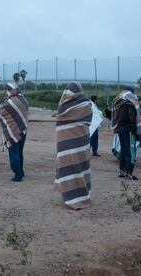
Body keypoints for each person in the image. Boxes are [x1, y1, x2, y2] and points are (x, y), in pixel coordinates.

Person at [55, 82, 93, 210]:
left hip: (66, 144)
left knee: (70, 168)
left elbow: (60, 123)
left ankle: (73, 198)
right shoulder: (87, 104)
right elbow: (89, 120)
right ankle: (82, 195)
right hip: (82, 142)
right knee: (80, 168)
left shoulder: (63, 106)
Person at [0, 83, 29, 182]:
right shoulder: (24, 100)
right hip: (23, 130)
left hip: (12, 132)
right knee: (19, 152)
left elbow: (0, 113)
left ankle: (18, 175)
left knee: (14, 154)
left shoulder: (8, 103)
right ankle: (21, 172)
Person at [112, 87, 141, 180]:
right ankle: (129, 173)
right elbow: (132, 120)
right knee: (131, 152)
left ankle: (122, 171)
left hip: (120, 130)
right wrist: (135, 132)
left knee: (123, 150)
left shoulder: (119, 104)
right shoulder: (130, 105)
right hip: (129, 130)